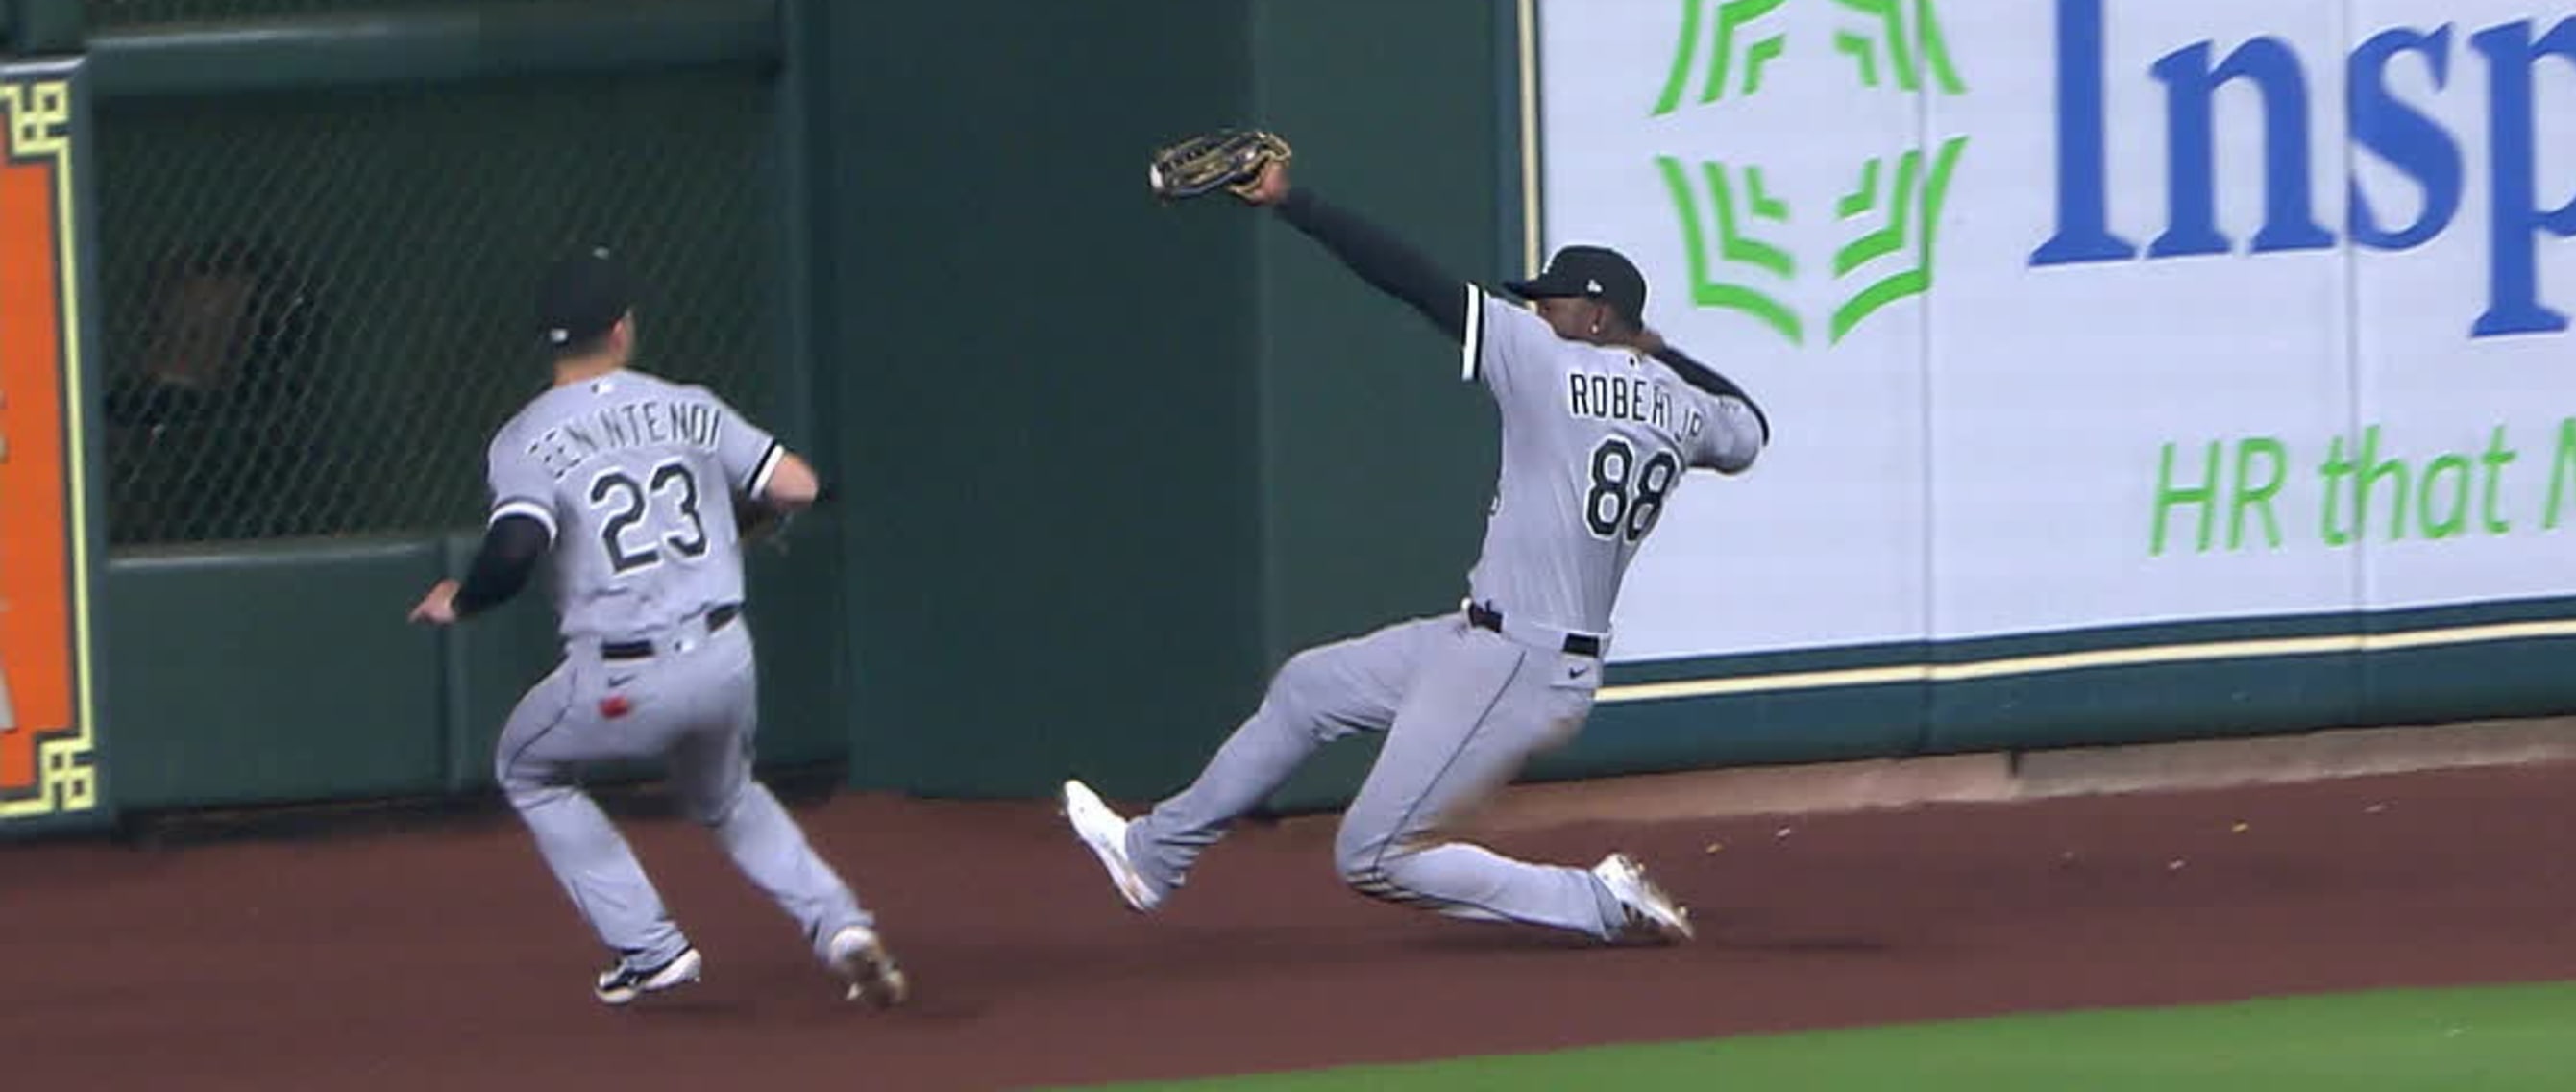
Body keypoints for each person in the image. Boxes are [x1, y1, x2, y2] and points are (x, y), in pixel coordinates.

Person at [1062, 148, 1772, 944]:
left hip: (1519, 663)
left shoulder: (1545, 361)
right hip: (1494, 643)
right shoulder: (1682, 407)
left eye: (1555, 301)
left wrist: (1295, 203)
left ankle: (1598, 903)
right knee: (1309, 689)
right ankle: (1153, 854)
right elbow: (1751, 424)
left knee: (1372, 854)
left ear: (1596, 317)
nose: (1538, 311)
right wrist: (1658, 348)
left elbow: (1412, 279)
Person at [408, 245, 907, 1008]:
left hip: (620, 675)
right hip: (722, 660)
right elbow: (799, 487)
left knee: (528, 769)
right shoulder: (690, 404)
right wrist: (731, 521)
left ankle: (649, 947)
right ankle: (841, 926)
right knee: (731, 797)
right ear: (620, 328)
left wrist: (462, 601)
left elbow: (515, 549)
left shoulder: (523, 437)